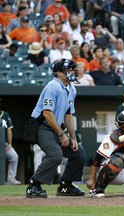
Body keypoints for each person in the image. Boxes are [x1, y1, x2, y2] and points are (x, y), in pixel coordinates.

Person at [26, 59, 86, 198]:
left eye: (73, 69)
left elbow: (68, 115)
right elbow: (47, 113)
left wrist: (73, 137)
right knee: (56, 155)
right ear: (59, 73)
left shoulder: (72, 88)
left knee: (78, 153)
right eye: (69, 70)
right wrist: (61, 134)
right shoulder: (53, 86)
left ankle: (66, 186)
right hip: (42, 127)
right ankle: (33, 185)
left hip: (56, 128)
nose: (73, 72)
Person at [0, 98, 21, 185]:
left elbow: (9, 130)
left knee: (14, 156)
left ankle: (11, 178)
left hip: (3, 144)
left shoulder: (4, 114)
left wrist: (9, 144)